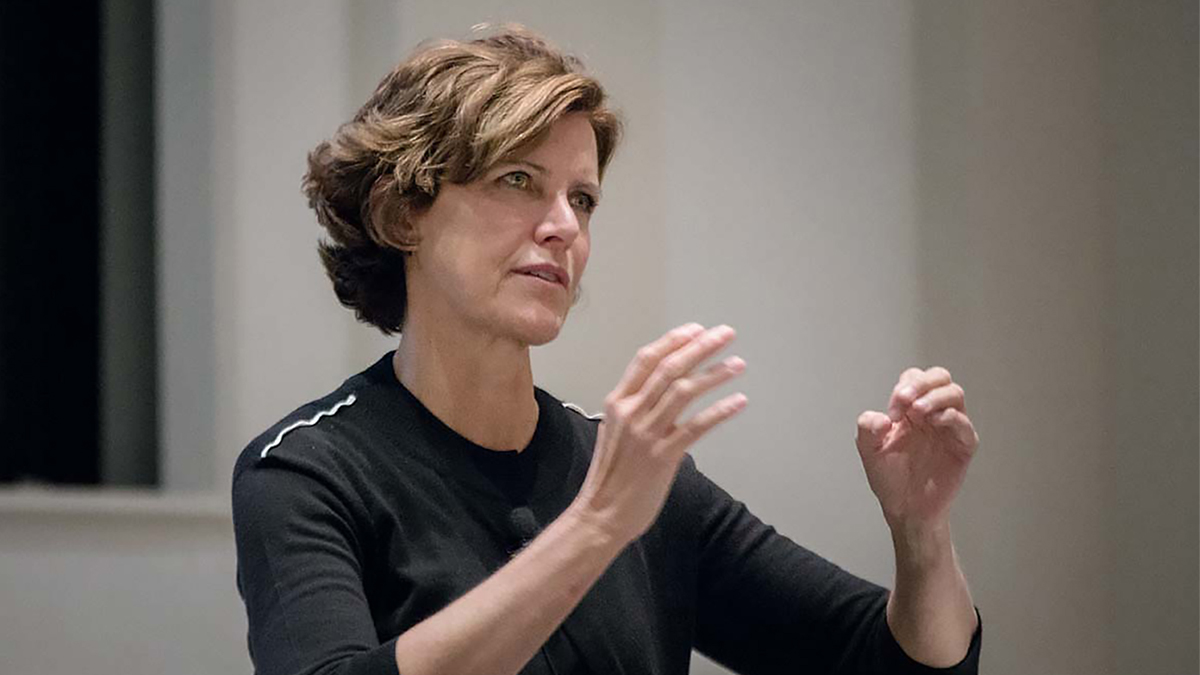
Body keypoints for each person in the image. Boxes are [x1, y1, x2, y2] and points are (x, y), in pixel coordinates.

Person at [232, 26, 982, 675]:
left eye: (582, 199)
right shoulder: (306, 472)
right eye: (518, 179)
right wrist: (595, 527)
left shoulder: (635, 478)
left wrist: (921, 538)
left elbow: (893, 662)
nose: (564, 226)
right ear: (404, 215)